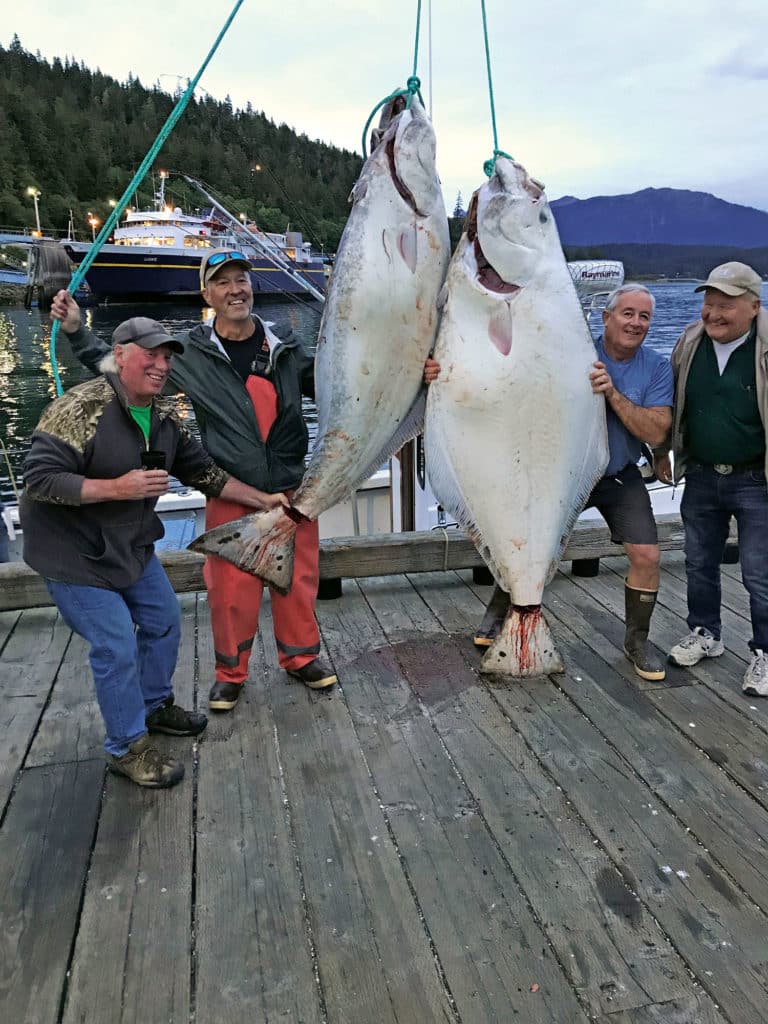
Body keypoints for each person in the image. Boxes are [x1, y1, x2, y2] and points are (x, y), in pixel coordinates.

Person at [50, 250, 336, 714]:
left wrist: (410, 374)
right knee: (229, 588)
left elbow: (337, 383)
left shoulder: (285, 348)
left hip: (291, 489)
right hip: (230, 489)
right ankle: (230, 673)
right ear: (207, 295)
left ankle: (301, 656)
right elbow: (117, 368)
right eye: (222, 283)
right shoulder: (191, 354)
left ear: (252, 286)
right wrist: (76, 329)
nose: (235, 290)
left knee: (298, 581)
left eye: (241, 280)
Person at [21, 316, 288, 787]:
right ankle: (125, 746)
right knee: (116, 642)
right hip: (72, 556)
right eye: (151, 353)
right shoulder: (79, 408)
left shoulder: (165, 417)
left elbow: (205, 473)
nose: (161, 364)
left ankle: (153, 706)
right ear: (120, 354)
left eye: (167, 356)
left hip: (129, 545)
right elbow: (39, 480)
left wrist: (263, 500)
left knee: (164, 619)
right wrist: (116, 487)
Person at [471, 284, 674, 680]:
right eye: (627, 313)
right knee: (532, 545)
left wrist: (612, 394)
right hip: (559, 475)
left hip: (618, 474)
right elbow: (509, 382)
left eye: (644, 316)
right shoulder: (572, 351)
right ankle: (499, 613)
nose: (635, 323)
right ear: (606, 317)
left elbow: (657, 430)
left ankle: (637, 641)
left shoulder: (657, 367)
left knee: (647, 555)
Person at [654, 262, 768, 696]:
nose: (714, 313)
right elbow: (670, 403)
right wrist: (661, 453)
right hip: (700, 475)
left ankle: (764, 652)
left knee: (760, 572)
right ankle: (706, 634)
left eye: (726, 305)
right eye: (709, 303)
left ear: (754, 307)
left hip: (757, 479)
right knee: (699, 563)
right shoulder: (688, 342)